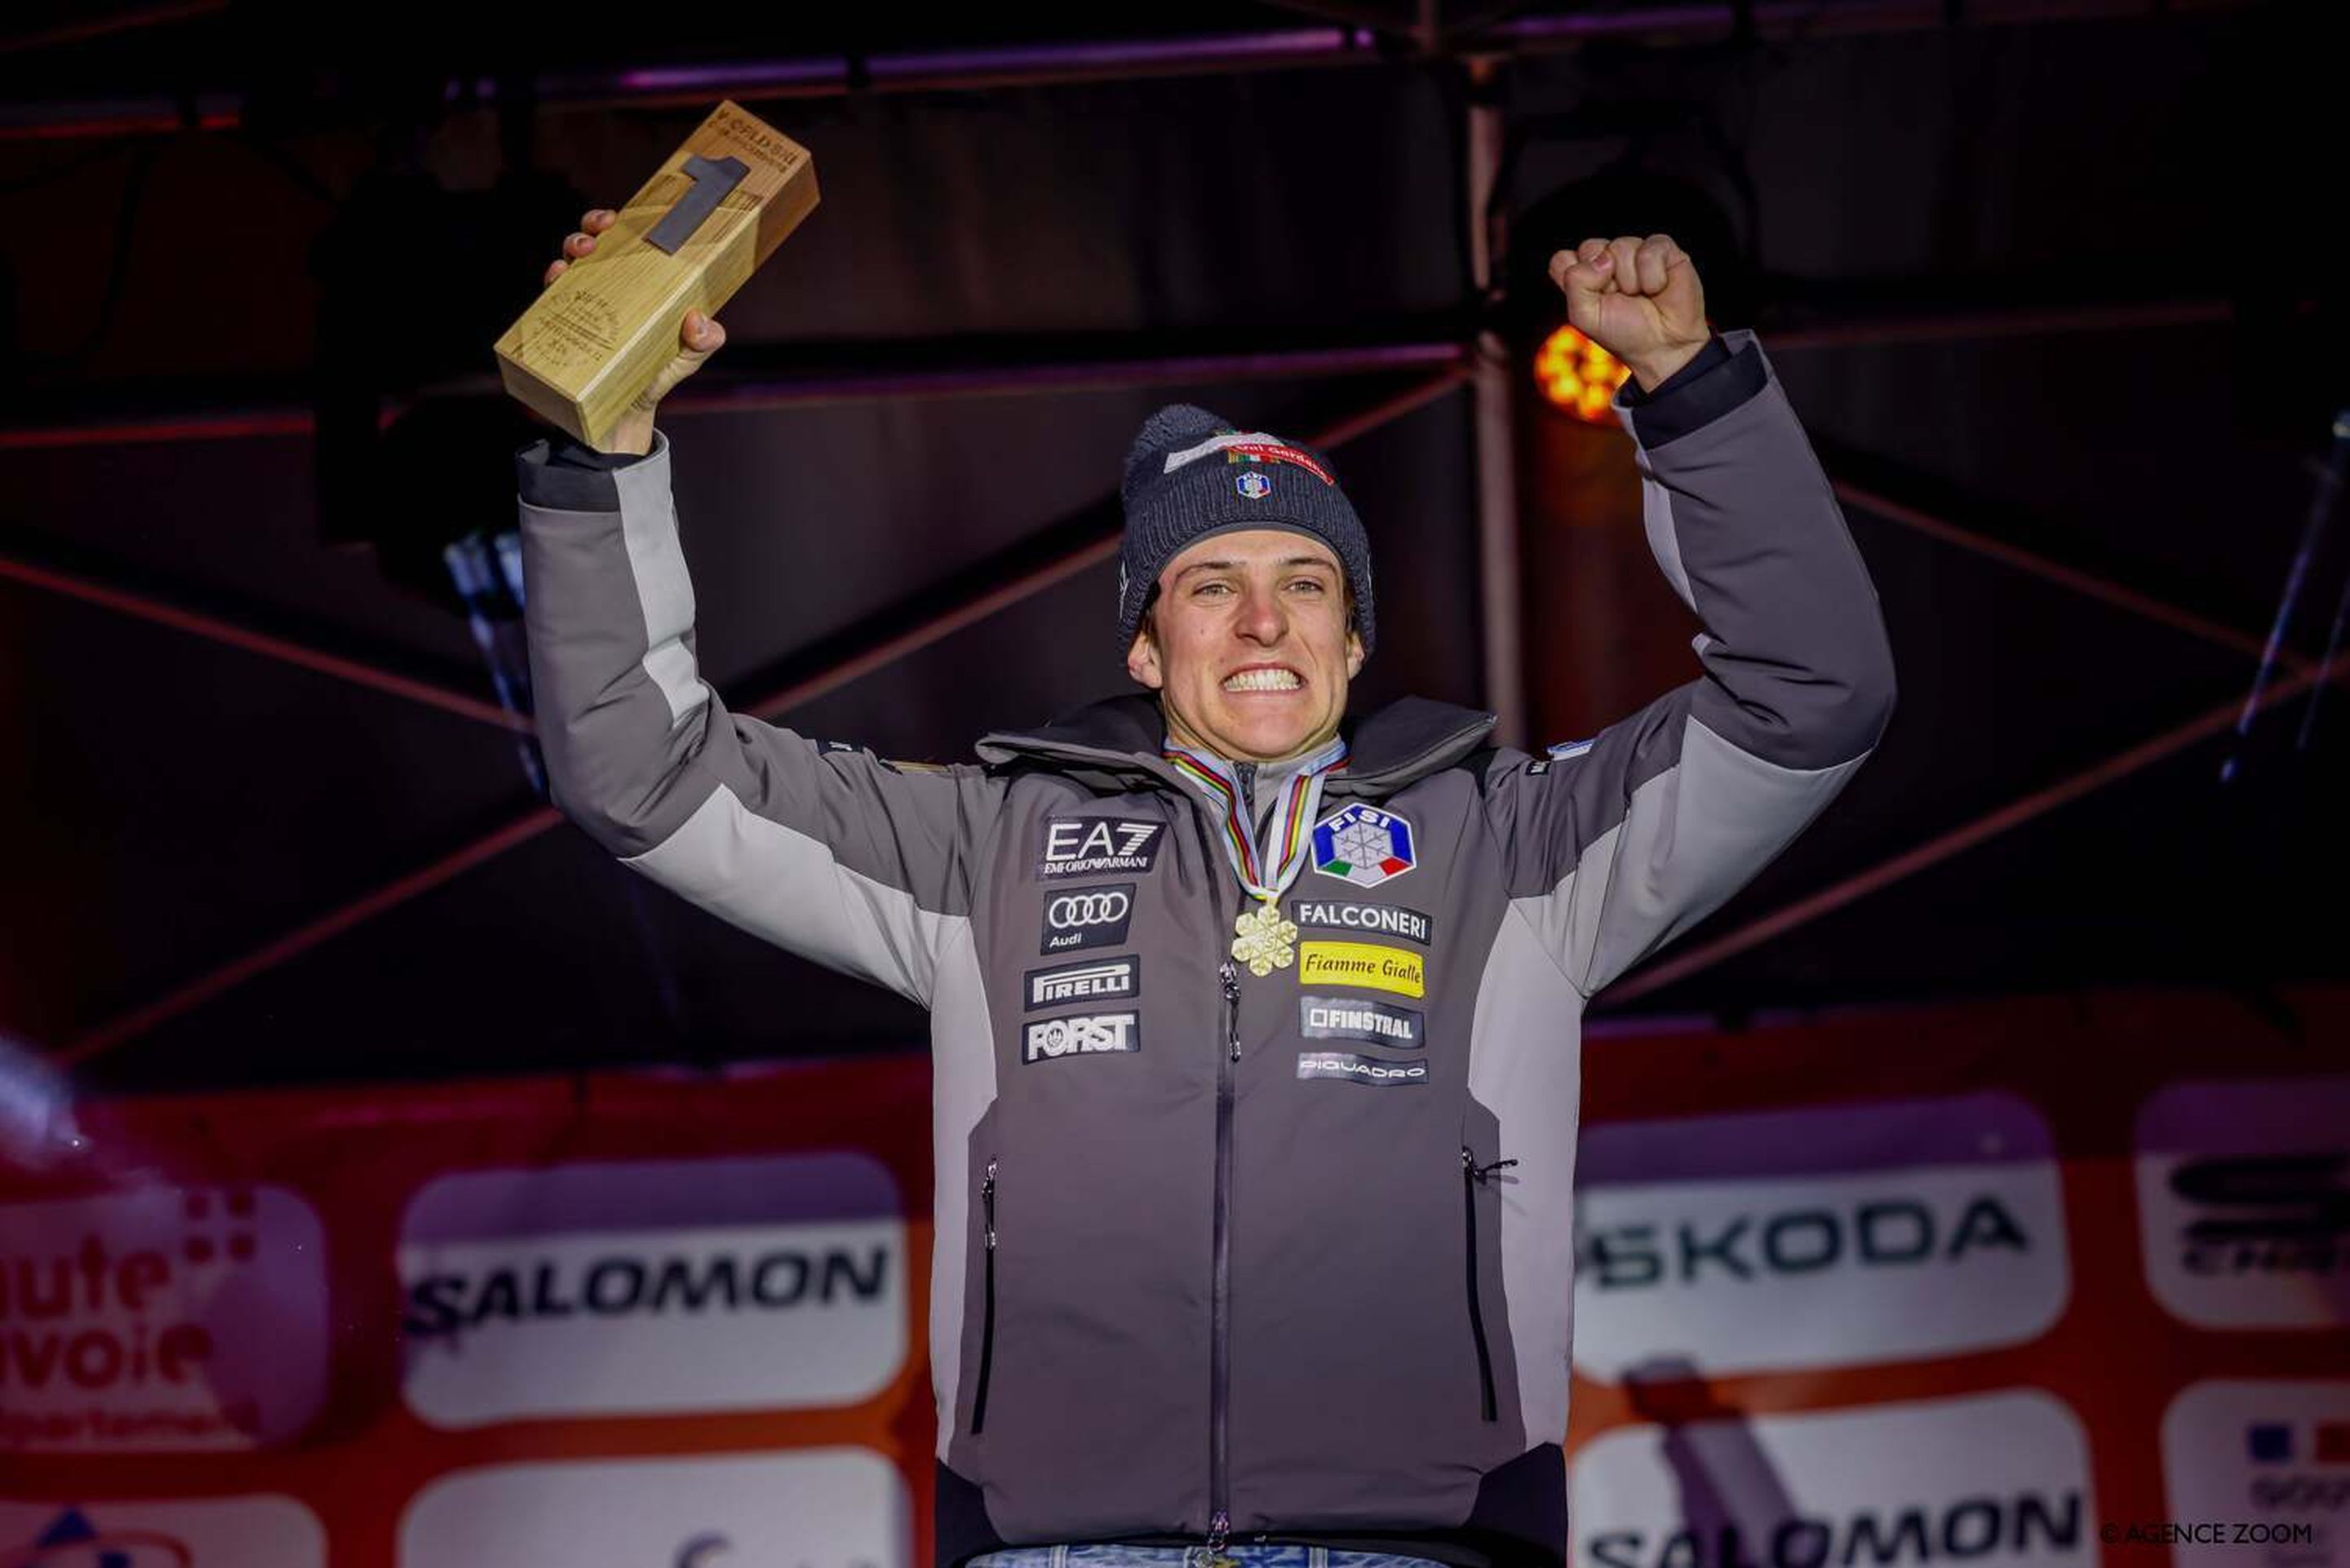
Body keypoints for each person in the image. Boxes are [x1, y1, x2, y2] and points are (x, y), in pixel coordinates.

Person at [516, 213, 1895, 1568]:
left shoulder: (1515, 843)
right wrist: (606, 447)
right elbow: (644, 769)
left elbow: (1811, 698)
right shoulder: (979, 846)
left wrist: (1697, 392)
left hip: (1421, 1543)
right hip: (1059, 1549)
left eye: (1306, 582)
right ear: (1144, 640)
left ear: (1353, 643)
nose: (1261, 619)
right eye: (1209, 582)